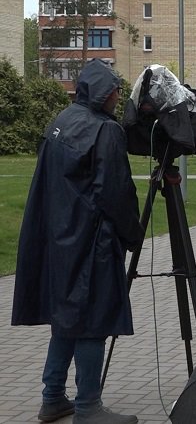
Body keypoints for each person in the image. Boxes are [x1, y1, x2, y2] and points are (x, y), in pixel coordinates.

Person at [11, 59, 143, 424]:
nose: (118, 95)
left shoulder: (60, 123)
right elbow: (113, 191)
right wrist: (133, 234)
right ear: (103, 93)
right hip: (92, 243)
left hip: (59, 239)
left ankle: (52, 397)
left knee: (67, 320)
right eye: (115, 89)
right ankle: (88, 407)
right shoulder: (105, 131)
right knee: (92, 322)